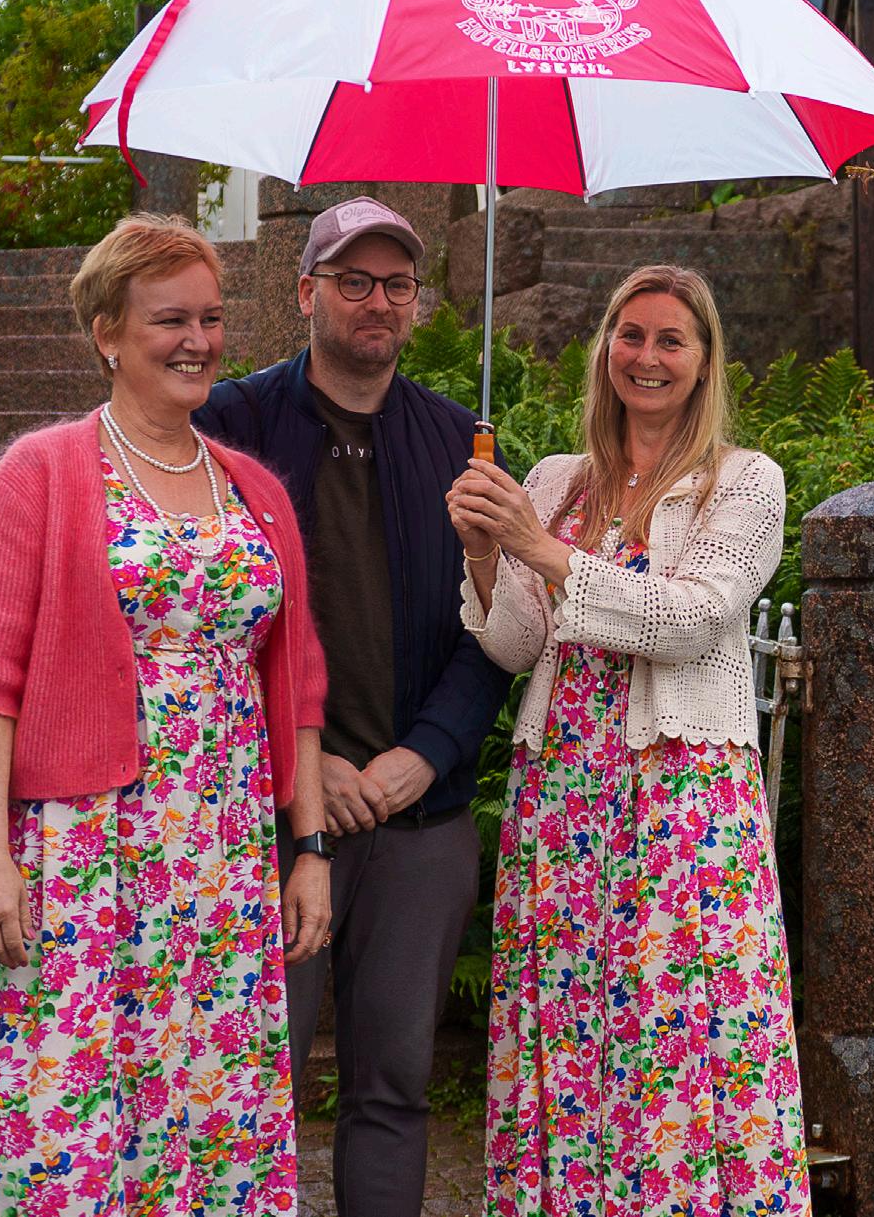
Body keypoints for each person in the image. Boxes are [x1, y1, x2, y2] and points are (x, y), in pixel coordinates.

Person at [0, 214, 332, 1217]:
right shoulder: (43, 470)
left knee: (202, 1103)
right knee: (51, 1104)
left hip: (220, 859)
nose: (197, 340)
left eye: (212, 318)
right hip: (82, 847)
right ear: (107, 332)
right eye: (169, 319)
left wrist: (311, 846)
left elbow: (298, 684)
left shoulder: (254, 491)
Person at [447, 264, 811, 1217]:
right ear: (606, 346)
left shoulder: (742, 482)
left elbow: (690, 619)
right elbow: (517, 644)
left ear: (703, 360)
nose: (647, 356)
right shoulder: (555, 482)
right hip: (563, 797)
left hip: (680, 799)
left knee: (677, 1030)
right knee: (570, 1028)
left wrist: (539, 549)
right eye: (631, 334)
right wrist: (483, 548)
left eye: (670, 340)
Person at [194, 195, 511, 1216]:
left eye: (397, 284)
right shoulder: (229, 425)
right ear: (305, 292)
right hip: (268, 818)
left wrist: (430, 749)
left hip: (418, 815)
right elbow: (204, 622)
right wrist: (301, 757)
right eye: (353, 281)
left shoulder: (461, 440)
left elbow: (499, 624)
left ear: (418, 302)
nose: (377, 301)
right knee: (244, 1083)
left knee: (393, 1086)